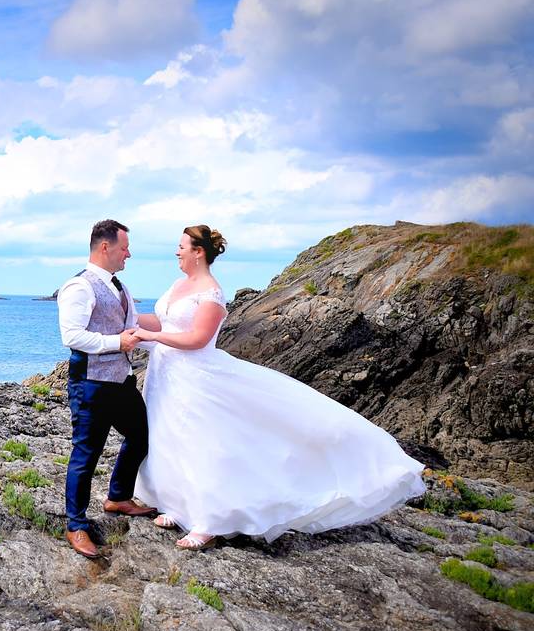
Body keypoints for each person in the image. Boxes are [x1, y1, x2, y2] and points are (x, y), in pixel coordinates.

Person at [132, 225, 427, 550]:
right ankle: (177, 505)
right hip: (166, 375)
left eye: (182, 246)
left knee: (203, 443)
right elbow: (164, 322)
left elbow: (197, 339)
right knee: (169, 437)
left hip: (197, 378)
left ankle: (208, 521)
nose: (177, 252)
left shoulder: (211, 293)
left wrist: (151, 338)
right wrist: (130, 321)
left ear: (198, 252)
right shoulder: (179, 284)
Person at [57, 219, 157, 558]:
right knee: (86, 454)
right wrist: (118, 342)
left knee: (142, 435)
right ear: (105, 247)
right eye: (124, 247)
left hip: (122, 382)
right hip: (91, 384)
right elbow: (72, 336)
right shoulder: (79, 287)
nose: (128, 253)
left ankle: (117, 497)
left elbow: (133, 331)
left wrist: (175, 347)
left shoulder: (121, 288)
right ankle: (76, 526)